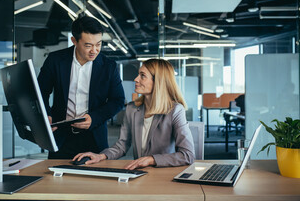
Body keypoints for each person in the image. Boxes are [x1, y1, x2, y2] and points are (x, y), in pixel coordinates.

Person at [73, 59, 195, 169]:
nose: (136, 79)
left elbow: (187, 155)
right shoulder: (132, 108)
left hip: (164, 173)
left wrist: (152, 160)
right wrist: (101, 156)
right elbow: (122, 145)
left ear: (158, 81)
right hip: (139, 172)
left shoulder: (175, 111)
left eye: (142, 76)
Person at [38, 16, 125, 159]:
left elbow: (118, 100)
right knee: (56, 179)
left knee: (93, 180)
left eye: (98, 44)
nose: (95, 50)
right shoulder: (55, 60)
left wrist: (94, 118)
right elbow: (41, 91)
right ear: (74, 41)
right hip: (61, 136)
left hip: (94, 136)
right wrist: (46, 115)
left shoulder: (109, 66)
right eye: (88, 45)